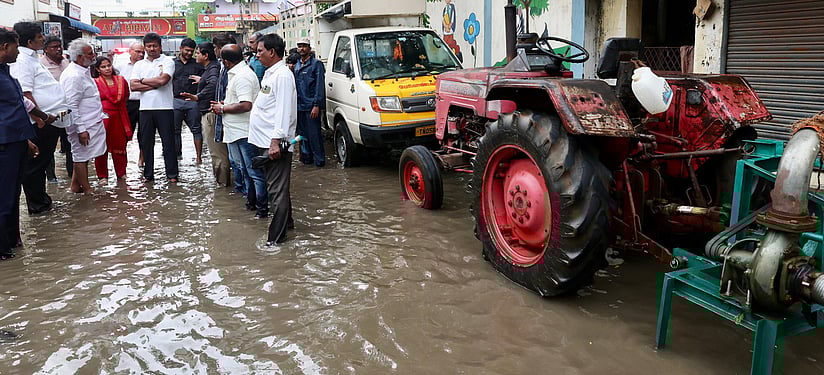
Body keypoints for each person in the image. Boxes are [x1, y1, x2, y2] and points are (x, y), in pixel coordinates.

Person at [10, 21, 70, 215]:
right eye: (39, 37)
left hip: (49, 119)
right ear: (29, 41)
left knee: (42, 162)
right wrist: (40, 119)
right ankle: (37, 205)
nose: (43, 39)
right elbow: (25, 93)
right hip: (40, 122)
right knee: (35, 165)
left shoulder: (32, 58)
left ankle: (42, 200)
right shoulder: (23, 61)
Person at [249, 33, 297, 245]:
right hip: (265, 141)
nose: (256, 54)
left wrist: (276, 141)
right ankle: (288, 226)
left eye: (260, 51)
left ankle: (275, 241)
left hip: (274, 143)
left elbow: (284, 111)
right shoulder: (271, 74)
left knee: (276, 192)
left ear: (272, 52)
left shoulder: (283, 76)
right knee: (279, 189)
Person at [210, 44, 266, 218]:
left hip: (244, 130)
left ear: (225, 62)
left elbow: (245, 105)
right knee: (244, 169)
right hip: (234, 130)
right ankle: (251, 203)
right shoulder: (237, 73)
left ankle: (262, 208)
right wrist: (222, 106)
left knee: (253, 171)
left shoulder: (242, 76)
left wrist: (223, 108)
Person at [0, 29, 38, 260]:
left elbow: (16, 109)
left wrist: (26, 140)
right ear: (5, 47)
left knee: (13, 195)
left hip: (16, 141)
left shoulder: (6, 72)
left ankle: (12, 240)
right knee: (4, 197)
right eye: (15, 47)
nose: (17, 52)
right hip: (3, 144)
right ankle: (3, 248)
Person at [129, 32, 178, 182]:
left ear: (160, 47)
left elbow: (163, 81)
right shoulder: (139, 64)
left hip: (165, 108)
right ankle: (148, 175)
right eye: (149, 46)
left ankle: (172, 175)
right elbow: (133, 86)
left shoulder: (168, 61)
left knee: (168, 143)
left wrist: (143, 80)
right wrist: (153, 84)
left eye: (154, 46)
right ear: (145, 47)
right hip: (145, 109)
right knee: (146, 143)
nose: (151, 49)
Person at [60, 39, 107, 194]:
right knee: (80, 156)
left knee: (84, 155)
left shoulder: (83, 70)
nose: (94, 56)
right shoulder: (74, 76)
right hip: (82, 124)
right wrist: (81, 129)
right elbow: (71, 105)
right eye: (90, 53)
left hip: (91, 121)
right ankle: (87, 191)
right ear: (79, 57)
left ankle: (75, 186)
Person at [202, 33, 236, 187]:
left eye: (216, 48)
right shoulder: (222, 67)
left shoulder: (229, 69)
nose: (214, 51)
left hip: (223, 114)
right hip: (221, 112)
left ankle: (224, 187)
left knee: (220, 155)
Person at [92, 56, 132, 180]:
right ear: (98, 69)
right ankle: (102, 176)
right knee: (101, 146)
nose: (107, 68)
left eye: (109, 65)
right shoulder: (95, 82)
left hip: (119, 118)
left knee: (120, 146)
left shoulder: (121, 80)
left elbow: (126, 97)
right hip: (102, 119)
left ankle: (121, 174)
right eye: (103, 67)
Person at [40, 35, 72, 182]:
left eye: (60, 46)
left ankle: (73, 175)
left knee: (70, 142)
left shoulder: (66, 63)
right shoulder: (41, 66)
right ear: (45, 49)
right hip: (49, 110)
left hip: (66, 108)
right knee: (49, 144)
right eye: (54, 47)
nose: (58, 49)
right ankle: (51, 176)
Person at [294, 38, 326, 168]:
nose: (301, 49)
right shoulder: (297, 65)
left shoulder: (316, 64)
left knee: (314, 135)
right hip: (299, 106)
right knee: (302, 136)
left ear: (309, 48)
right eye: (299, 46)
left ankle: (320, 161)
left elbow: (319, 86)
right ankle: (307, 160)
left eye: (304, 46)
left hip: (311, 106)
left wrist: (316, 105)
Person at [172, 38, 204, 164]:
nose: (189, 53)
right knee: (175, 130)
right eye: (187, 50)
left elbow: (206, 81)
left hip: (193, 101)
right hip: (176, 101)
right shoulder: (172, 64)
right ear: (181, 49)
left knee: (196, 129)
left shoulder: (198, 64)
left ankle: (199, 157)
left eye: (192, 51)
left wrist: (201, 79)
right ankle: (177, 157)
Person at [113, 42, 145, 166]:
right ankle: (122, 161)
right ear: (130, 51)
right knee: (124, 133)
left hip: (144, 102)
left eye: (142, 52)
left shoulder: (146, 65)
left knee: (144, 133)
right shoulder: (120, 66)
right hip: (127, 103)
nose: (141, 54)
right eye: (137, 51)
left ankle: (142, 159)